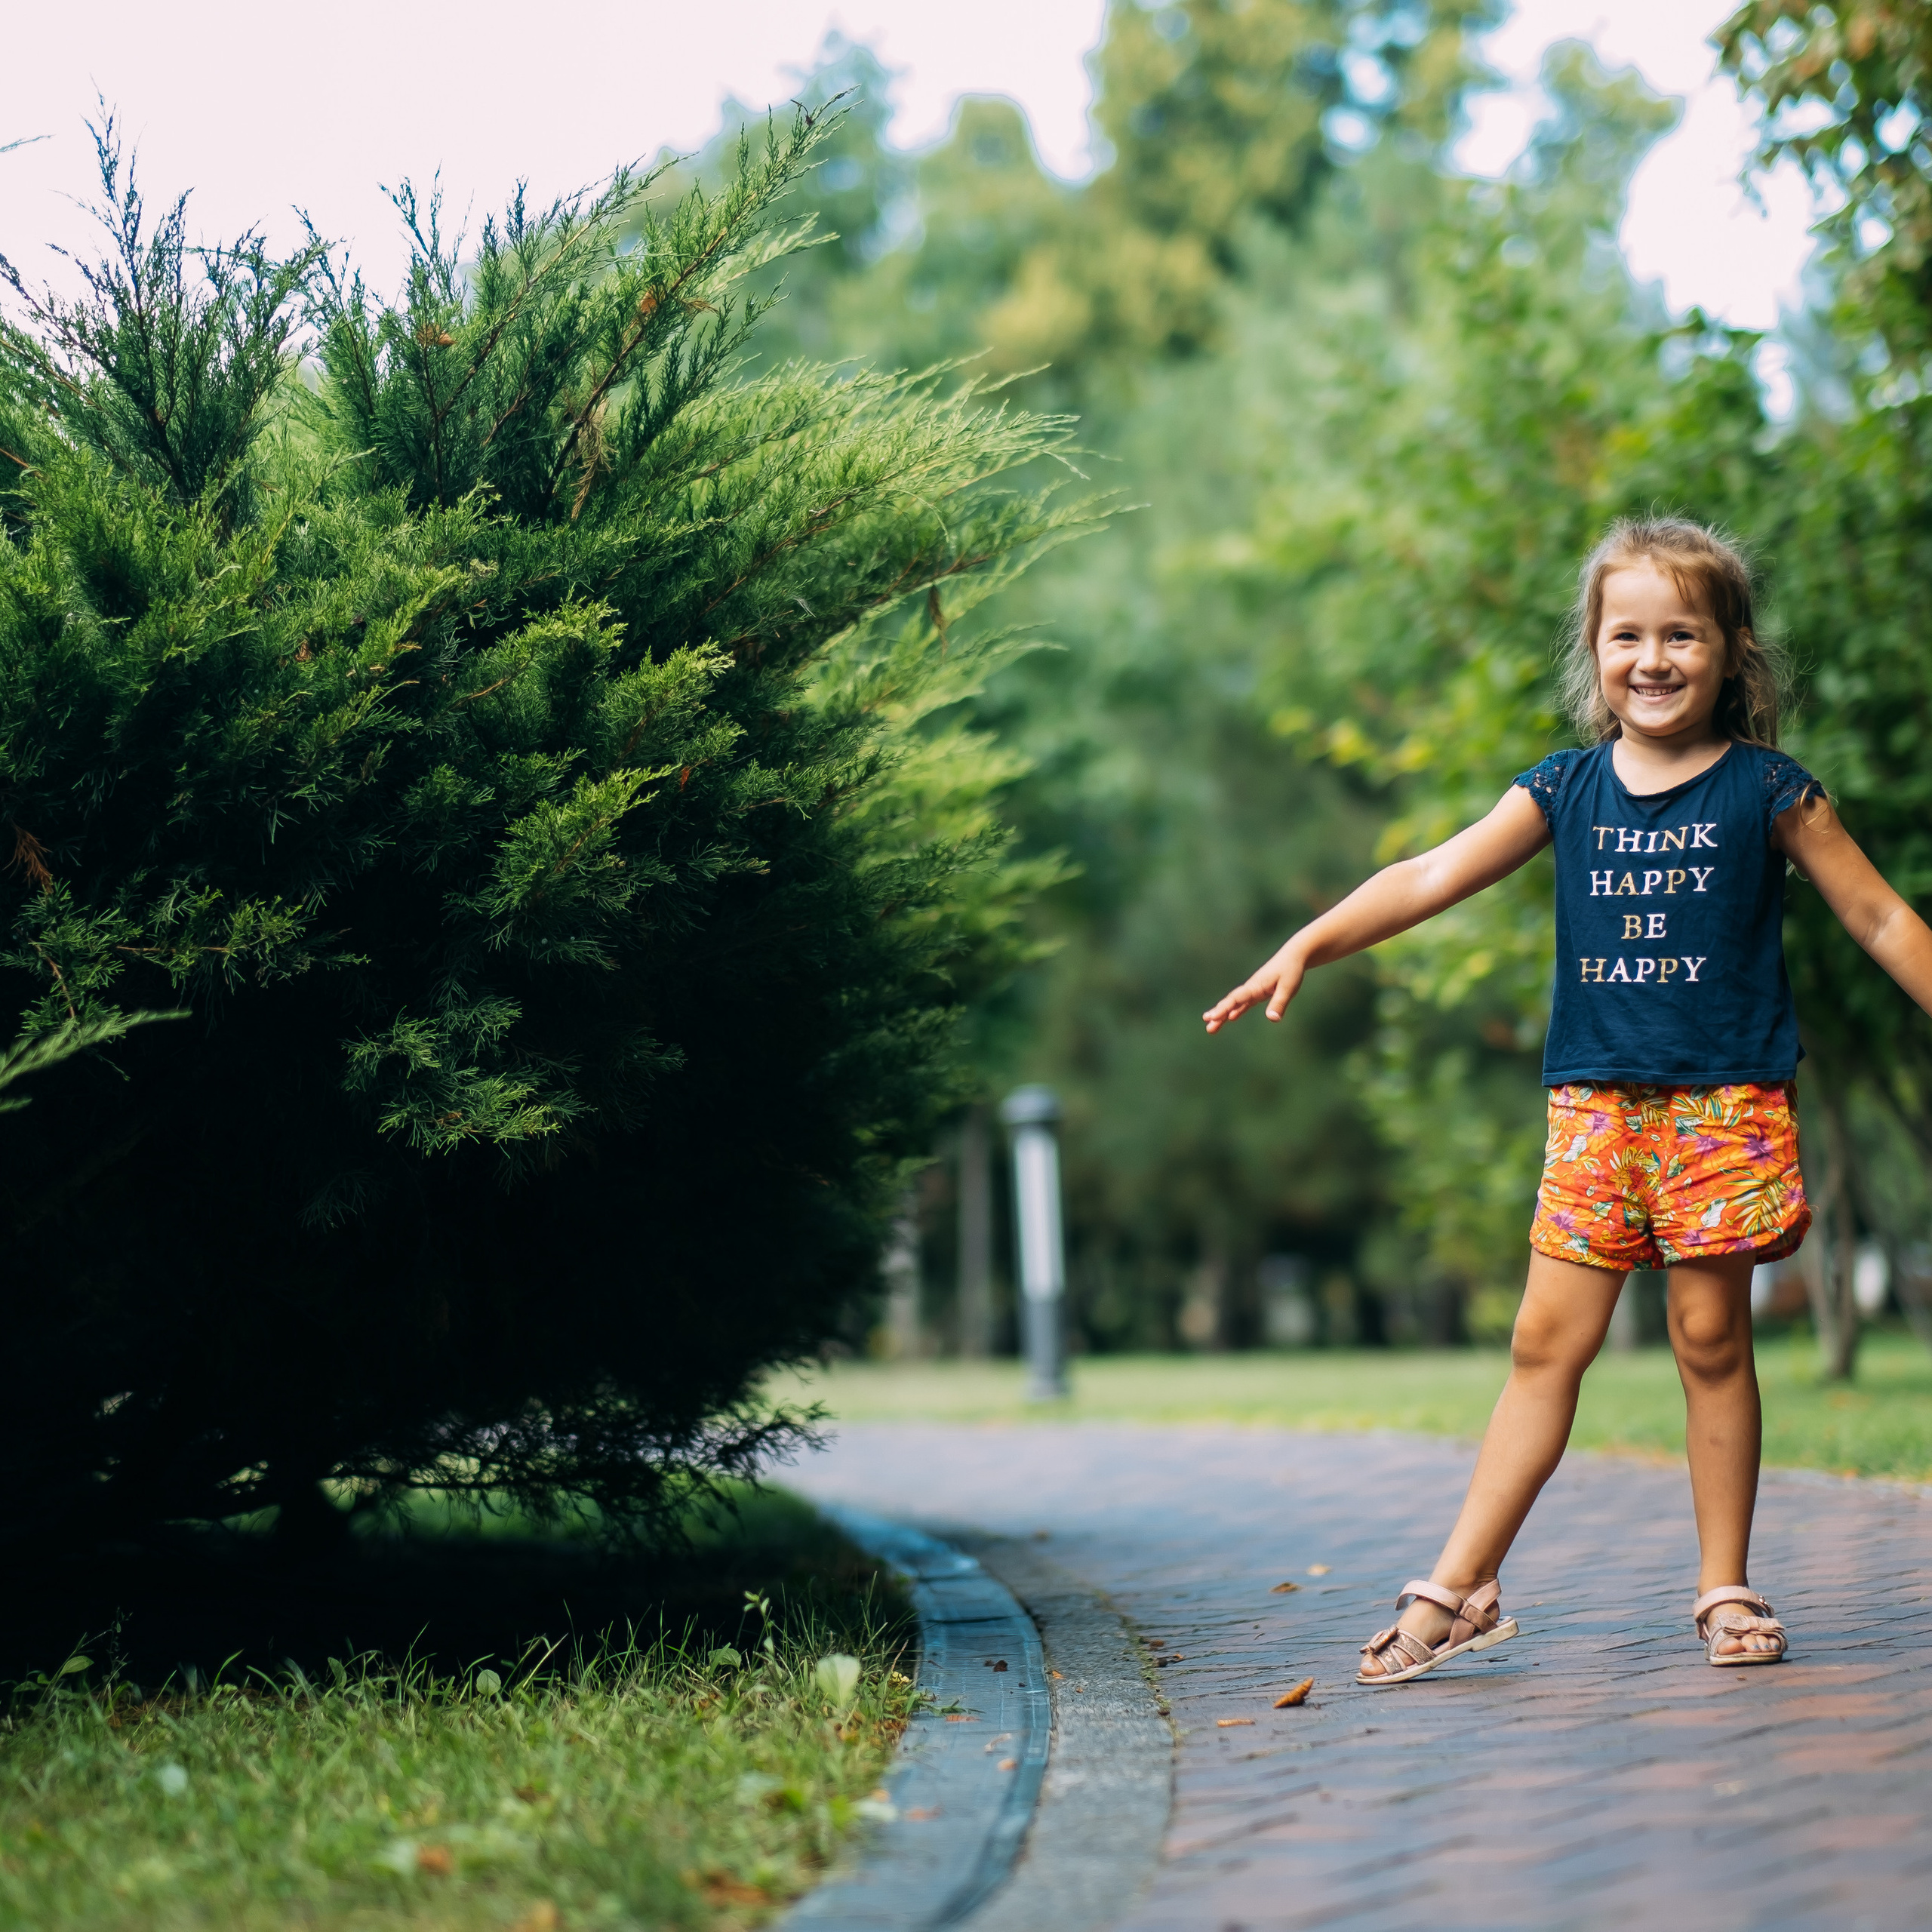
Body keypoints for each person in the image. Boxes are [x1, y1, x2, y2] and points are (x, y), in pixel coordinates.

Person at [1203, 517, 1932, 1684]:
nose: (1653, 658)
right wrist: (1309, 943)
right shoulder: (1565, 791)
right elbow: (1426, 873)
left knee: (1710, 1339)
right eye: (1626, 634)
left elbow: (1883, 917)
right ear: (1594, 650)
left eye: (1683, 634)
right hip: (1595, 1117)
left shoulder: (1771, 791)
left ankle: (1724, 1586)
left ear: (1733, 651)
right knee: (1546, 1344)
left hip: (1722, 1112)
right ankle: (1459, 1585)